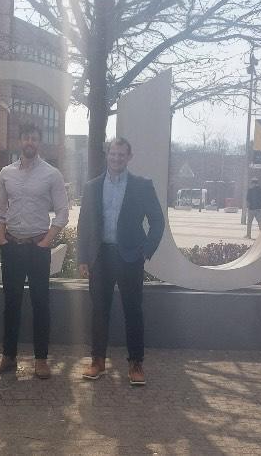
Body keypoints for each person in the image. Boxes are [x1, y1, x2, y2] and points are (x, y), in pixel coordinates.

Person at [77, 138, 164, 386]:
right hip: (100, 256)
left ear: (129, 157)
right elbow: (84, 223)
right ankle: (98, 361)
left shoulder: (142, 186)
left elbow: (157, 220)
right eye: (113, 154)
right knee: (99, 311)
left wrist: (145, 250)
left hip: (129, 256)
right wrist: (83, 257)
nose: (117, 158)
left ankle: (136, 363)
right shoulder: (92, 186)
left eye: (122, 155)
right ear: (108, 155)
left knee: (133, 311)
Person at [0, 123, 69, 379]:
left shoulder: (52, 174)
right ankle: (8, 357)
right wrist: (2, 239)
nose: (30, 142)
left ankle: (41, 359)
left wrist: (46, 242)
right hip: (12, 246)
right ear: (20, 141)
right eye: (26, 138)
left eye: (34, 138)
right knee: (10, 305)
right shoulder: (6, 173)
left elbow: (63, 212)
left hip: (37, 248)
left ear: (39, 143)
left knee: (40, 304)